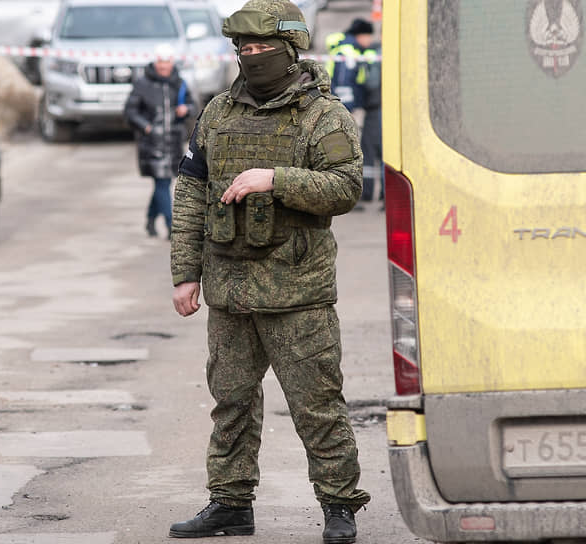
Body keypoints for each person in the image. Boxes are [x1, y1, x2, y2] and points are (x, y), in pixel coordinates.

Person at [168, 1, 370, 543]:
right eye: (244, 49)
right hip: (229, 291)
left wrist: (275, 179)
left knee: (318, 407)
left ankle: (338, 507)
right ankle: (230, 504)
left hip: (297, 294)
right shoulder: (217, 113)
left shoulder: (322, 115)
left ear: (289, 49)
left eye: (262, 49)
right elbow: (190, 192)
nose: (252, 58)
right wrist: (185, 273)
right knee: (230, 404)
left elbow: (348, 188)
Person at [123, 43, 195, 239]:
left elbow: (192, 104)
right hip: (151, 144)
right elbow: (130, 111)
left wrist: (186, 110)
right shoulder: (142, 84)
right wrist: (146, 127)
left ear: (172, 63)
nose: (164, 67)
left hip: (173, 142)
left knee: (162, 183)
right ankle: (171, 226)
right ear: (155, 62)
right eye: (160, 63)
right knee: (162, 182)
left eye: (167, 63)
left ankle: (150, 220)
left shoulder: (180, 83)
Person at [356, 39, 383, 211]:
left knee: (372, 151)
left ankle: (368, 193)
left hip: (376, 108)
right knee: (384, 152)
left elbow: (372, 82)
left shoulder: (374, 53)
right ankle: (383, 195)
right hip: (388, 107)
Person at [326, 18, 373, 113]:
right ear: (360, 36)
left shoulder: (353, 49)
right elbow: (343, 81)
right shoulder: (348, 51)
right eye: (368, 36)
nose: (370, 40)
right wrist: (347, 108)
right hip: (344, 102)